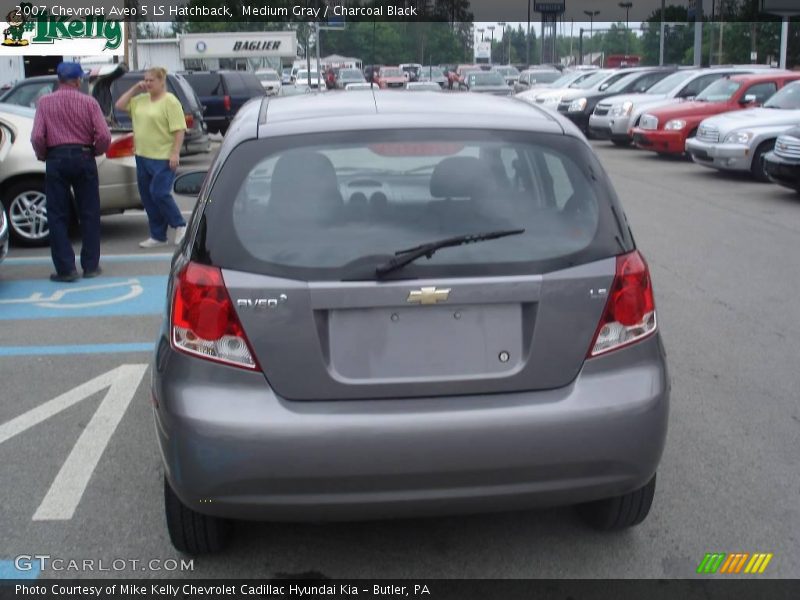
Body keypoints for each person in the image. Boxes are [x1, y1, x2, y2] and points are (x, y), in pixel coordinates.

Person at [30, 61, 111, 282]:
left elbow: (37, 136)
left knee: (57, 214)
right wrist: (96, 150)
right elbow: (104, 135)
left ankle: (66, 269)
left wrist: (43, 154)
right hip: (84, 156)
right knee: (89, 213)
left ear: (59, 80)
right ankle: (91, 265)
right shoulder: (89, 103)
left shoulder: (44, 103)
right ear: (78, 81)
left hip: (56, 158)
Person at [114, 67, 187, 248]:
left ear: (162, 82)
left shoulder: (170, 101)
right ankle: (158, 235)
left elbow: (179, 129)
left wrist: (175, 152)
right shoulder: (140, 100)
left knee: (159, 193)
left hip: (163, 156)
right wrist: (135, 88)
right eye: (145, 80)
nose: (147, 83)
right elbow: (120, 105)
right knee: (147, 197)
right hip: (142, 155)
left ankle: (180, 224)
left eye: (151, 80)